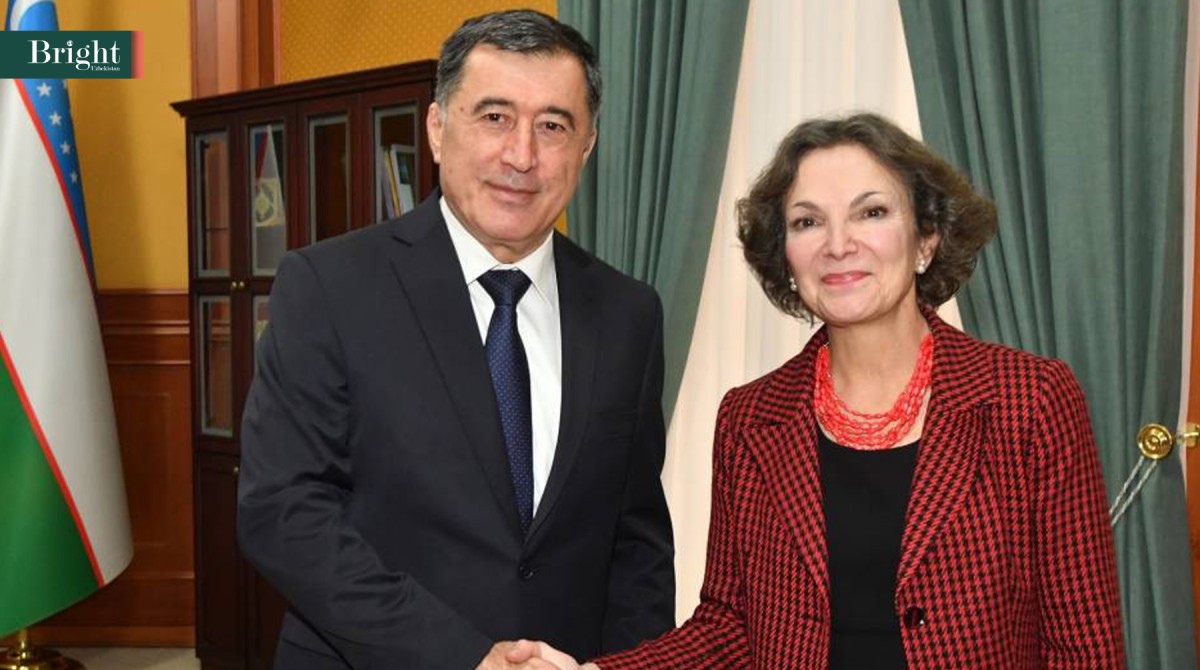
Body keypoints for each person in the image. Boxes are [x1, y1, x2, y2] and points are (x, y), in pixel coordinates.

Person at [523, 113, 1126, 669]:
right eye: (807, 222)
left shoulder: (1030, 401)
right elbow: (731, 628)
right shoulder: (750, 418)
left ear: (927, 240)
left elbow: (1084, 647)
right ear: (786, 257)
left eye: (872, 213)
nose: (838, 245)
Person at [236, 10, 675, 670]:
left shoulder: (628, 313)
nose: (521, 156)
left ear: (586, 148)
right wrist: (465, 657)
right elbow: (284, 512)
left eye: (553, 126)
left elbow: (636, 539)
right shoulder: (329, 286)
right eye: (494, 117)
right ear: (438, 130)